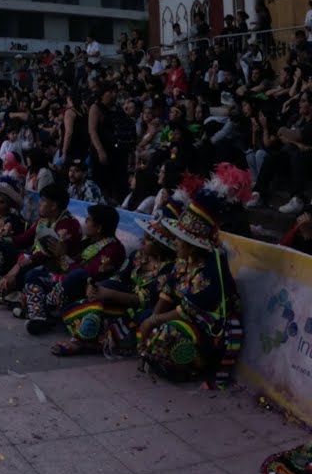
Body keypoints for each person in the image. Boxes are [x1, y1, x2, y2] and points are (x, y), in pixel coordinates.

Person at [139, 165, 248, 386]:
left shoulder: (210, 269)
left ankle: (194, 364)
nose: (175, 241)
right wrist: (150, 319)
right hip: (186, 320)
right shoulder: (185, 260)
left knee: (166, 332)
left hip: (210, 330)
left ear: (193, 245)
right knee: (145, 316)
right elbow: (168, 291)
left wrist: (153, 322)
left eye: (180, 239)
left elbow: (188, 309)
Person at [51, 219, 177, 357]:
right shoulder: (137, 255)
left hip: (141, 309)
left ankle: (81, 341)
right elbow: (118, 278)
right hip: (122, 299)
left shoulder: (168, 269)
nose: (142, 240)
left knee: (100, 309)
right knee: (90, 298)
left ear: (161, 245)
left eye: (148, 239)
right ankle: (93, 338)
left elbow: (145, 300)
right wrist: (96, 288)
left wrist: (108, 294)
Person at [20, 203, 126, 335]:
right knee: (33, 275)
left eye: (89, 219)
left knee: (78, 275)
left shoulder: (113, 249)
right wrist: (61, 247)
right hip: (64, 282)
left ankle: (42, 308)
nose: (85, 222)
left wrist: (63, 256)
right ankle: (39, 317)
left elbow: (88, 274)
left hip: (84, 289)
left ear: (99, 227)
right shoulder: (89, 241)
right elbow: (72, 261)